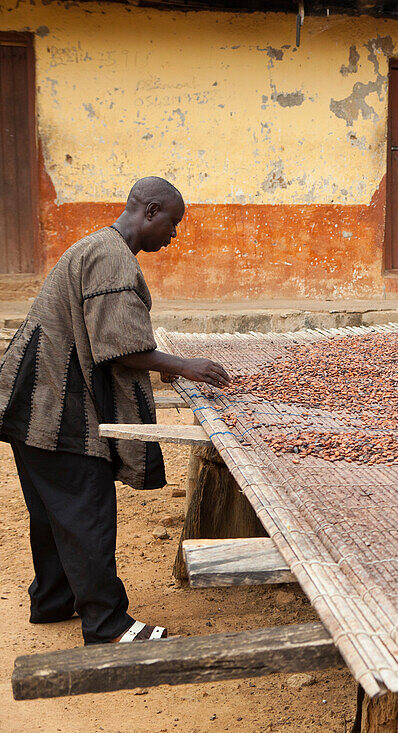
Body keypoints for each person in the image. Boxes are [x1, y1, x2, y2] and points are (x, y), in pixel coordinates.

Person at [0, 177, 231, 645]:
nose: (173, 234)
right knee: (86, 509)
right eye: (173, 223)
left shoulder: (98, 246)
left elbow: (115, 337)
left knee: (52, 511)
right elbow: (120, 347)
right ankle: (107, 625)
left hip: (30, 404)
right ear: (150, 210)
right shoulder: (111, 256)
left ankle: (52, 600)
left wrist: (162, 362)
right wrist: (184, 364)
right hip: (56, 408)